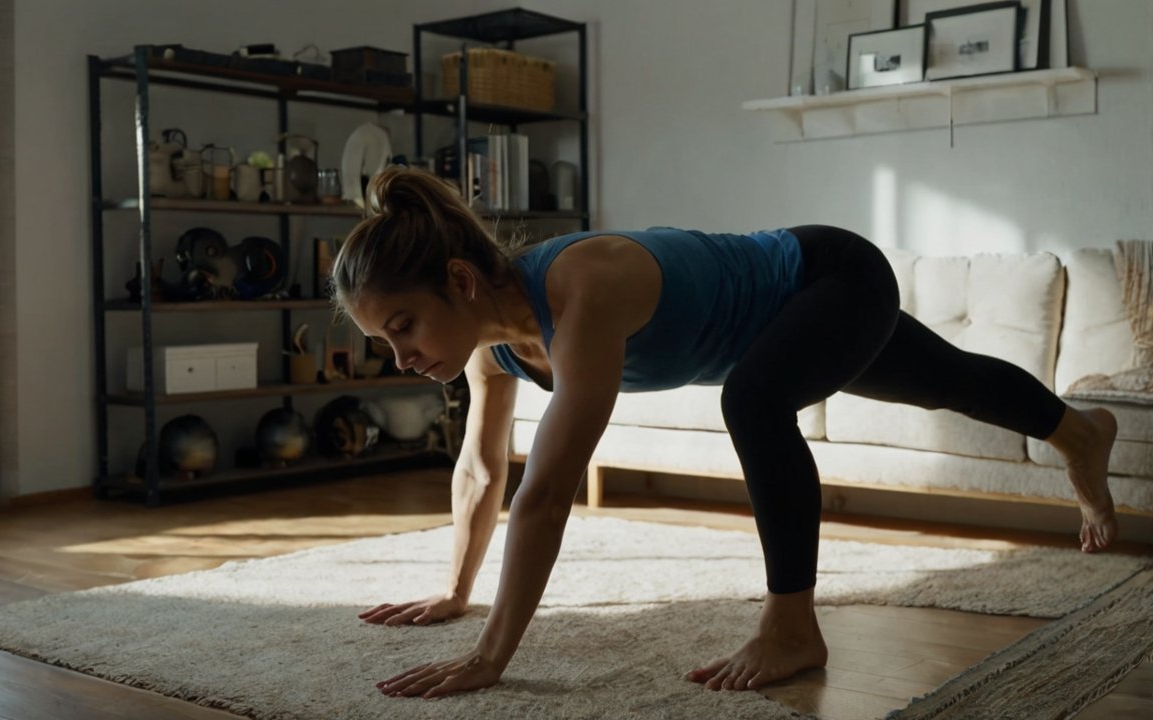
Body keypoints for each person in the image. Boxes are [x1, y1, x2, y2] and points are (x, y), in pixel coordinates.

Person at [332, 167, 1119, 699]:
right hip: (782, 325)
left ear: (460, 282)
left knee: (754, 401)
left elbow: (544, 496)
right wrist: (457, 592)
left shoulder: (581, 287)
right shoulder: (490, 347)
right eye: (385, 342)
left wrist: (488, 658)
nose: (402, 357)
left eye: (404, 326)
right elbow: (479, 472)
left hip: (827, 276)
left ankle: (792, 628)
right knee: (954, 381)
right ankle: (1081, 433)